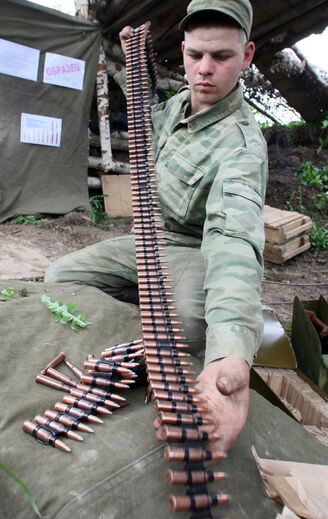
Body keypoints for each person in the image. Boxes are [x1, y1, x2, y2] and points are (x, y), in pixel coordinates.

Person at [45, 0, 268, 452]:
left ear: (246, 57)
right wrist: (136, 62)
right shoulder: (176, 107)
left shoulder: (243, 148)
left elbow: (234, 243)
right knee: (59, 277)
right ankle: (129, 346)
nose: (204, 70)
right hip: (149, 240)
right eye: (194, 55)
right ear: (183, 50)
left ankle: (159, 337)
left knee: (189, 330)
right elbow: (146, 115)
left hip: (193, 249)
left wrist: (230, 355)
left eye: (221, 57)